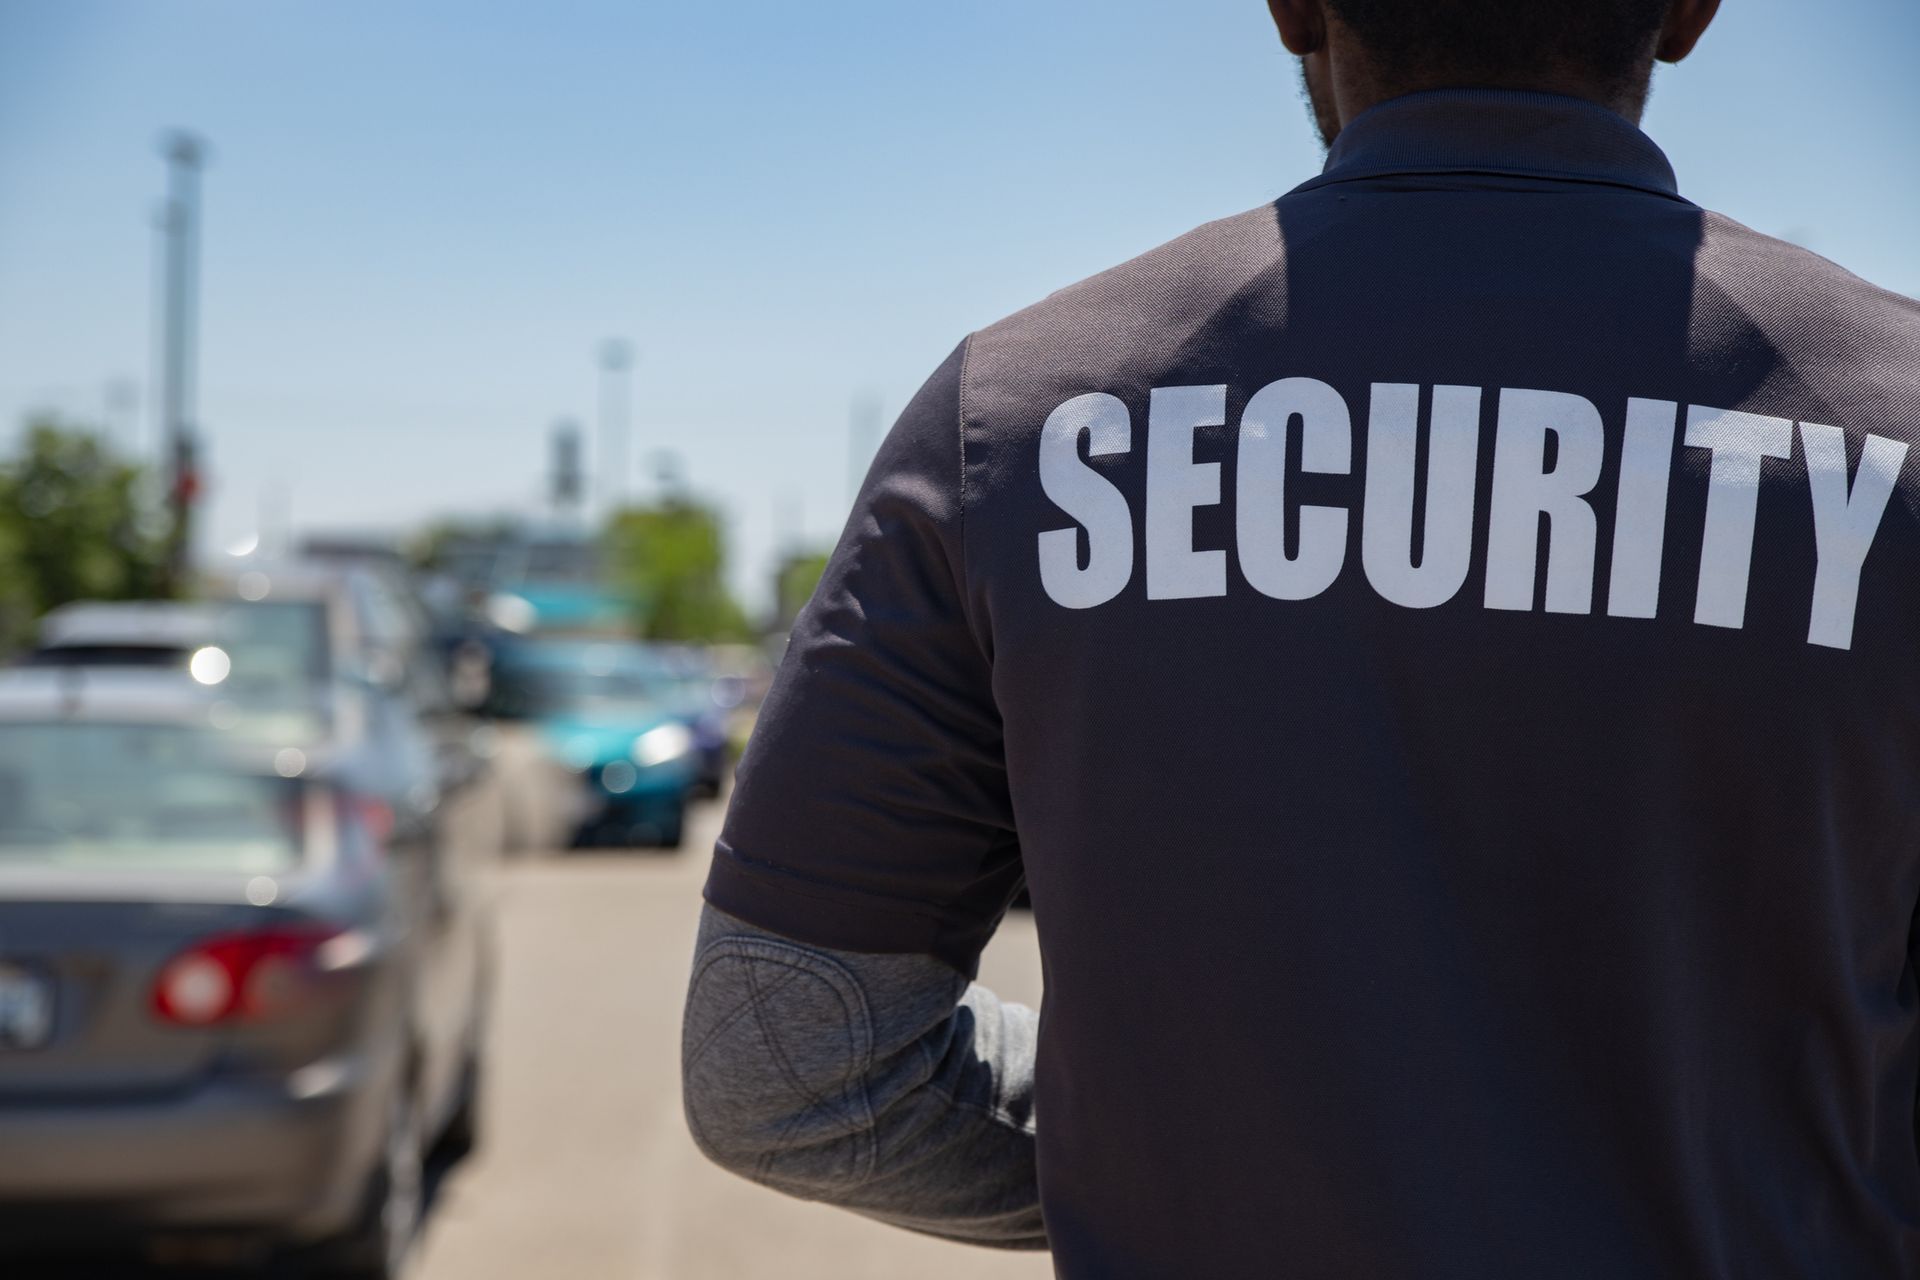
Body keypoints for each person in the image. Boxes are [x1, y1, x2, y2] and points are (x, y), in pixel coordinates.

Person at [681, 0, 1920, 1273]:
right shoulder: (1894, 423)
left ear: (1289, 6)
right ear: (1691, 11)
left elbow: (785, 1059)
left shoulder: (1023, 420)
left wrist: (1177, 1158)